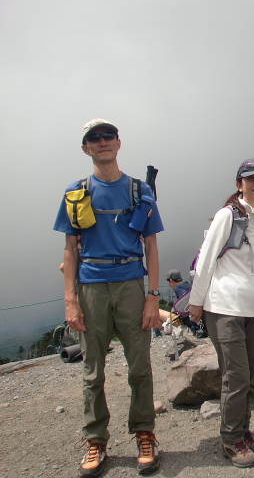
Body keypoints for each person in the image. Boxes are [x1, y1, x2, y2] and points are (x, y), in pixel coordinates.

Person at [53, 119, 164, 476]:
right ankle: (95, 439)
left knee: (140, 366)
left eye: (108, 136)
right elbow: (70, 249)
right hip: (91, 286)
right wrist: (70, 300)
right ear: (86, 148)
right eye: (94, 138)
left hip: (132, 283)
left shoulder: (139, 190)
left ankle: (144, 433)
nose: (102, 142)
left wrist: (153, 297)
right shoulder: (76, 192)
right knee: (91, 371)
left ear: (119, 143)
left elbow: (151, 245)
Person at [188, 158, 254, 467]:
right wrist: (196, 301)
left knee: (249, 372)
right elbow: (206, 260)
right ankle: (231, 439)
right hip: (223, 307)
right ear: (238, 183)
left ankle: (243, 431)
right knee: (237, 375)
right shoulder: (227, 216)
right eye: (251, 178)